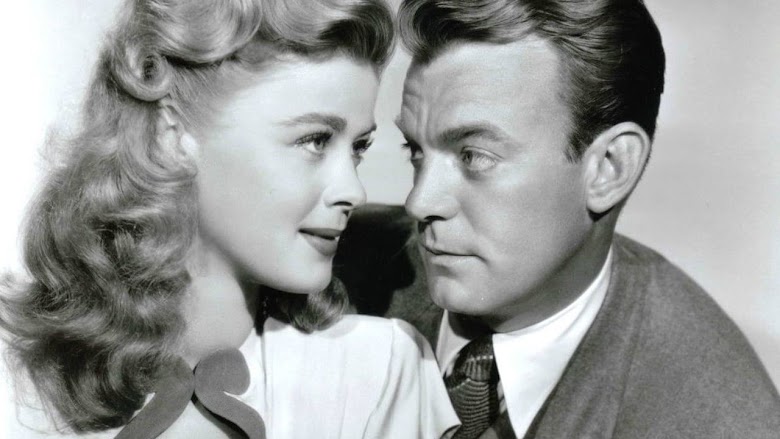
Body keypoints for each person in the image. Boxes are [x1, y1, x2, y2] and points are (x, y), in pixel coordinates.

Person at [0, 0, 459, 437]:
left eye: (357, 148)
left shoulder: (377, 372)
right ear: (171, 136)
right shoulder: (17, 382)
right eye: (316, 140)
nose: (353, 191)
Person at [335, 0, 780, 437]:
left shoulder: (718, 420)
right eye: (415, 151)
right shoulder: (330, 273)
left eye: (474, 156)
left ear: (609, 168)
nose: (419, 201)